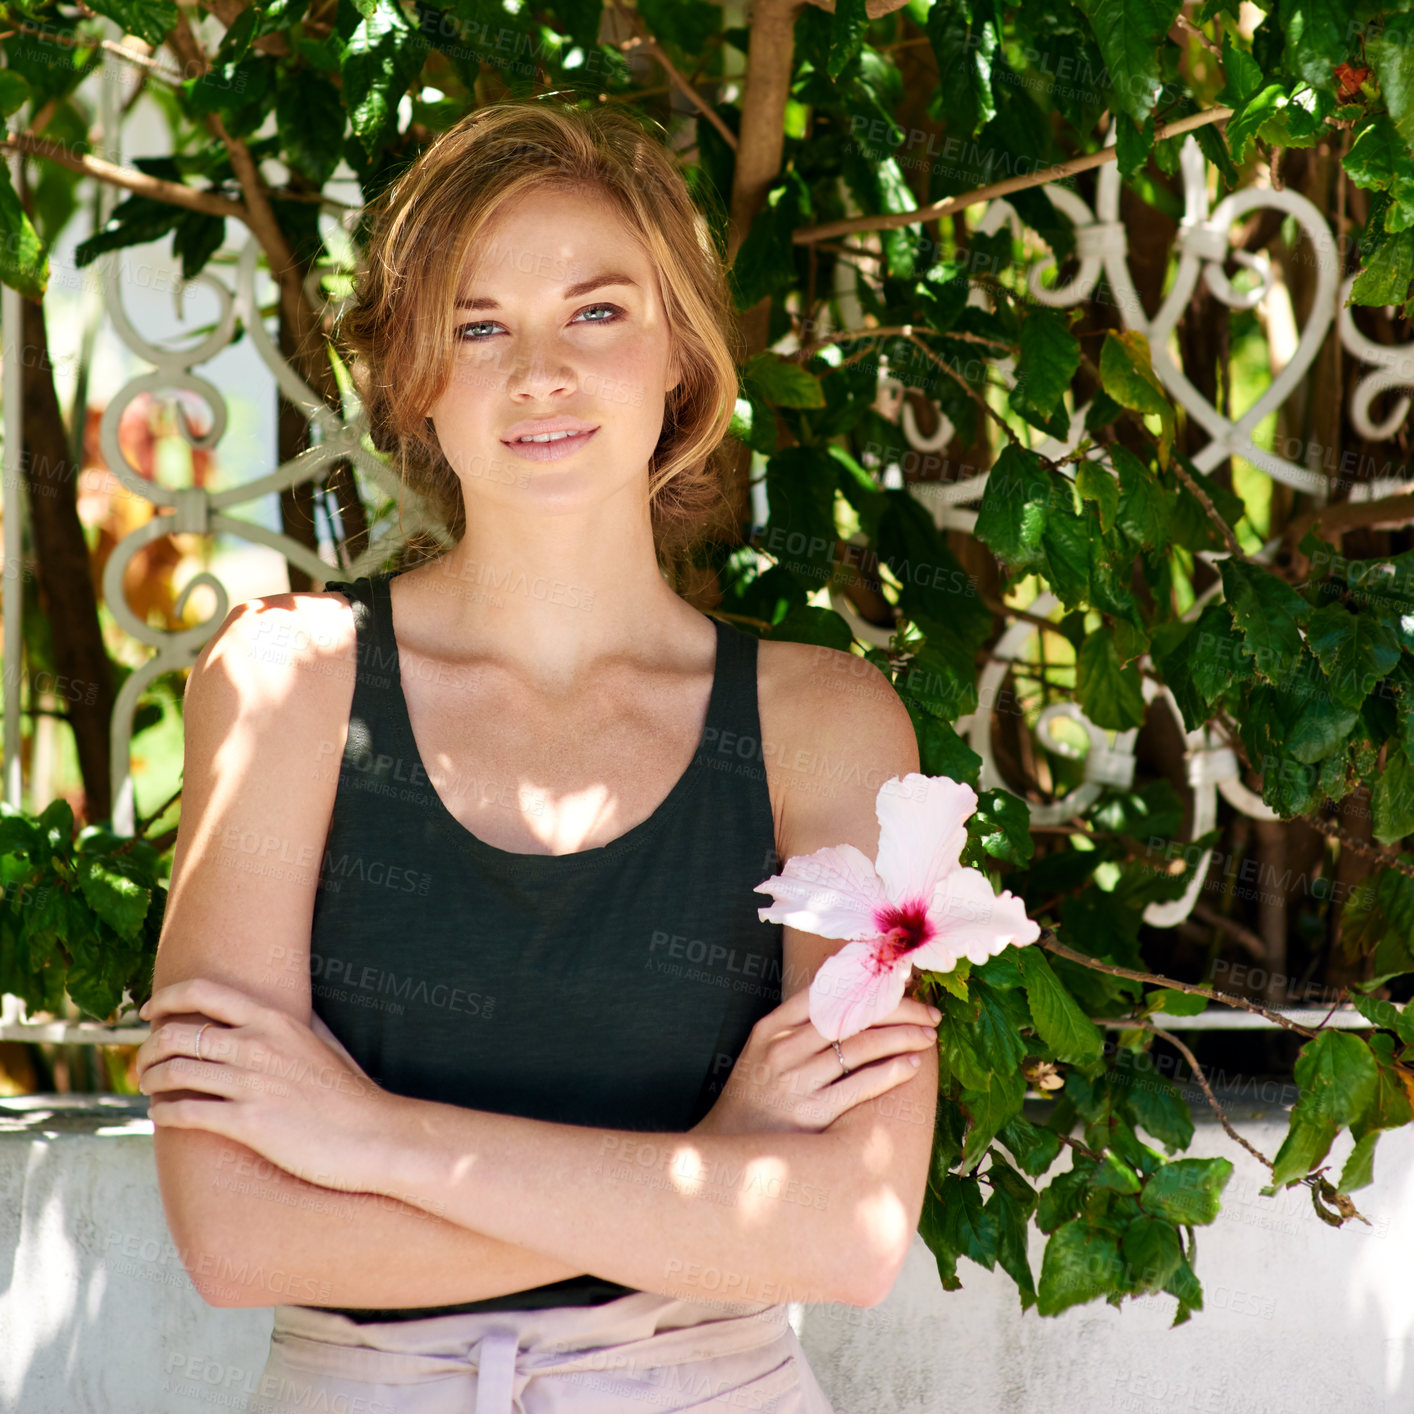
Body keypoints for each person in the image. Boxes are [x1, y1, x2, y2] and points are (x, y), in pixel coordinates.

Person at [135, 98, 941, 1414]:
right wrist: (712, 1165)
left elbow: (844, 1231)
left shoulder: (825, 726)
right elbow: (235, 1233)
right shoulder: (287, 683)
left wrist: (370, 1141)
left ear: (679, 350)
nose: (540, 367)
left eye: (599, 310)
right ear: (412, 375)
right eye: (476, 324)